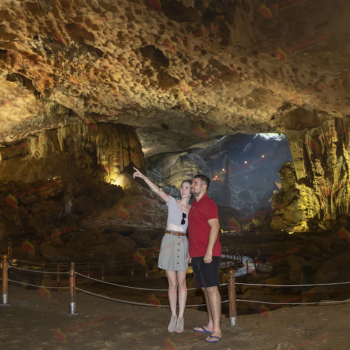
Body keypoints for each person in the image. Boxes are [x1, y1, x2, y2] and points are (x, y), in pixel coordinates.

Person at [132, 167, 192, 333]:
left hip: (183, 241)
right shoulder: (172, 202)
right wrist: (144, 176)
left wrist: (192, 251)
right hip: (168, 240)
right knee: (172, 284)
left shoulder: (193, 210)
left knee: (182, 283)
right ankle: (173, 316)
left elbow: (194, 231)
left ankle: (181, 317)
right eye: (182, 186)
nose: (183, 189)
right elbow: (157, 190)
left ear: (191, 191)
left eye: (187, 187)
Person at [188, 174, 222, 343]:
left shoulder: (208, 203)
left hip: (208, 254)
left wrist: (209, 251)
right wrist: (191, 251)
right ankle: (210, 324)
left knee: (212, 289)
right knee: (204, 290)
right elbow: (195, 230)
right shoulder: (195, 204)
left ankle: (217, 329)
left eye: (194, 183)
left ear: (203, 187)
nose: (191, 185)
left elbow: (215, 226)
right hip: (197, 254)